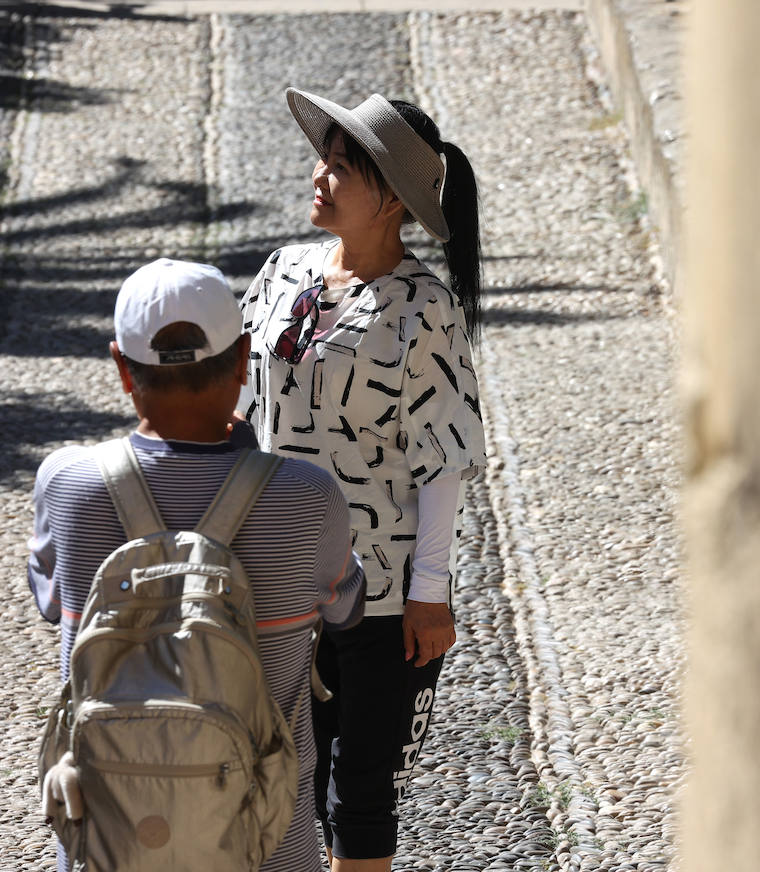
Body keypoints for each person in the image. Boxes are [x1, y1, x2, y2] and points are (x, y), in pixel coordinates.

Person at [28, 258, 367, 872]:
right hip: (266, 840)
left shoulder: (67, 484)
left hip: (108, 838)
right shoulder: (307, 495)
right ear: (242, 363)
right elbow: (347, 606)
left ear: (121, 369)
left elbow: (50, 601)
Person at [236, 89, 486, 871]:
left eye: (344, 168)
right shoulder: (282, 274)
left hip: (378, 593)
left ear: (392, 200)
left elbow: (443, 457)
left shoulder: (423, 310)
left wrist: (431, 590)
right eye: (326, 159)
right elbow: (239, 411)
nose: (321, 176)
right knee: (276, 779)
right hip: (271, 583)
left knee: (361, 792)